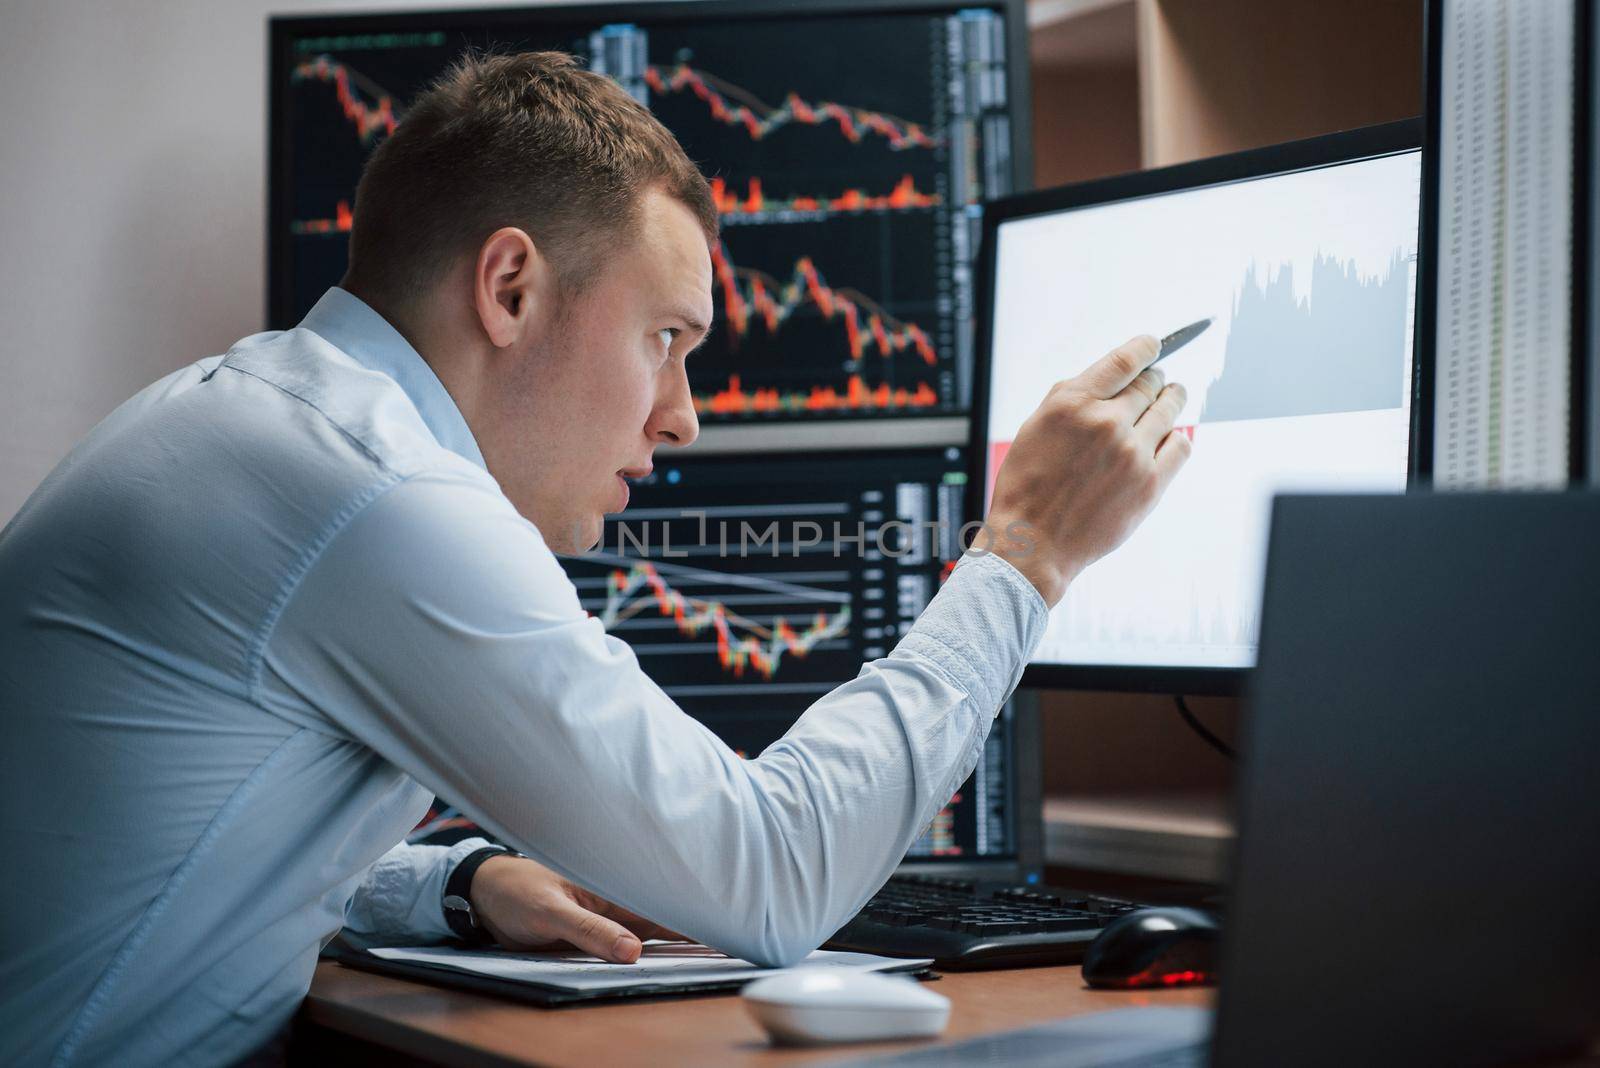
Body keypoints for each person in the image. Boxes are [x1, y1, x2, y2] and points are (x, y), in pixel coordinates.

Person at [0, 51, 1190, 1066]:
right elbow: (772, 876)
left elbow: (175, 838)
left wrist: (453, 885)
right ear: (510, 287)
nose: (682, 415)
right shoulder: (382, 495)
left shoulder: (248, 414)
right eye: (665, 339)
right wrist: (1022, 552)